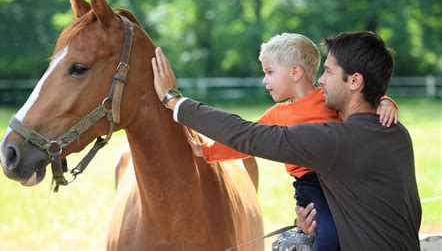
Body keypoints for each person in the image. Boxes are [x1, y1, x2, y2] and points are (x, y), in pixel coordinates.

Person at [151, 31, 422, 250]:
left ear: (354, 81)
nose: (321, 80)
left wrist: (174, 101)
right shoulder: (397, 133)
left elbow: (247, 136)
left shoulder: (334, 140)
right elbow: (364, 203)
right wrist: (383, 99)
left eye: (327, 72)